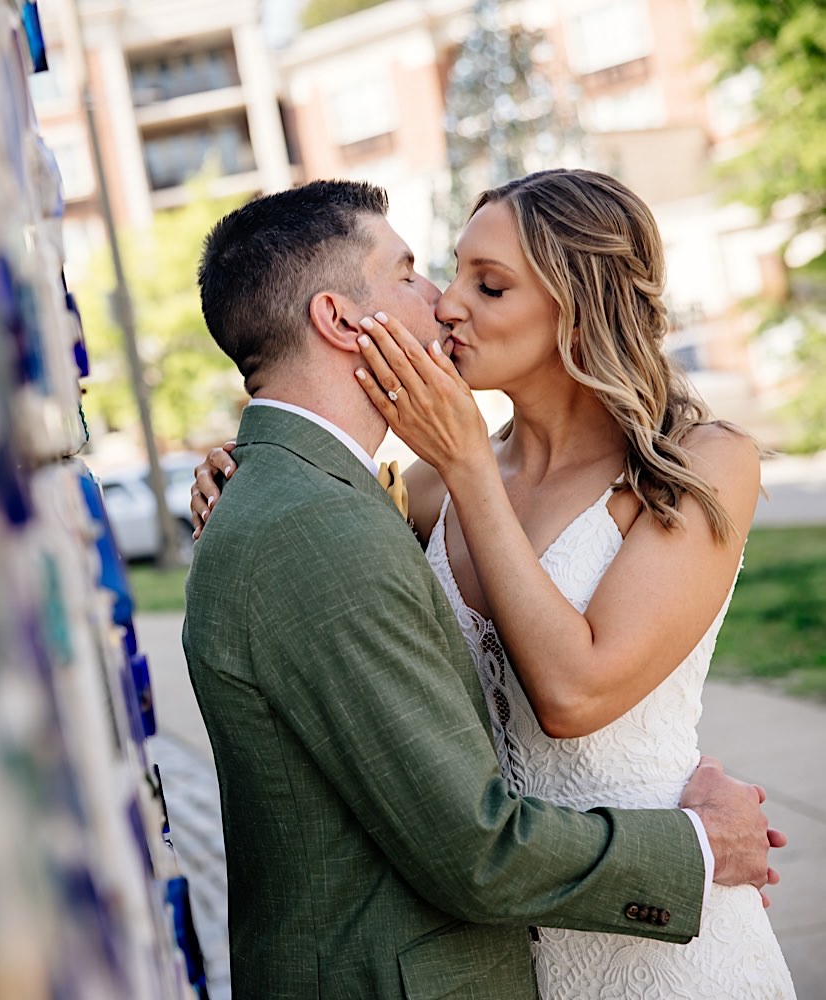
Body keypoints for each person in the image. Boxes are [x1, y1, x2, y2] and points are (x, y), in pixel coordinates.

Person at [182, 178, 778, 999]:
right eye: (444, 273)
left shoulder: (699, 465)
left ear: (578, 305)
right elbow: (333, 577)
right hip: (496, 935)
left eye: (487, 286)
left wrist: (467, 466)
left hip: (659, 920)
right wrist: (250, 469)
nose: (448, 305)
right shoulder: (423, 488)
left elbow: (573, 696)